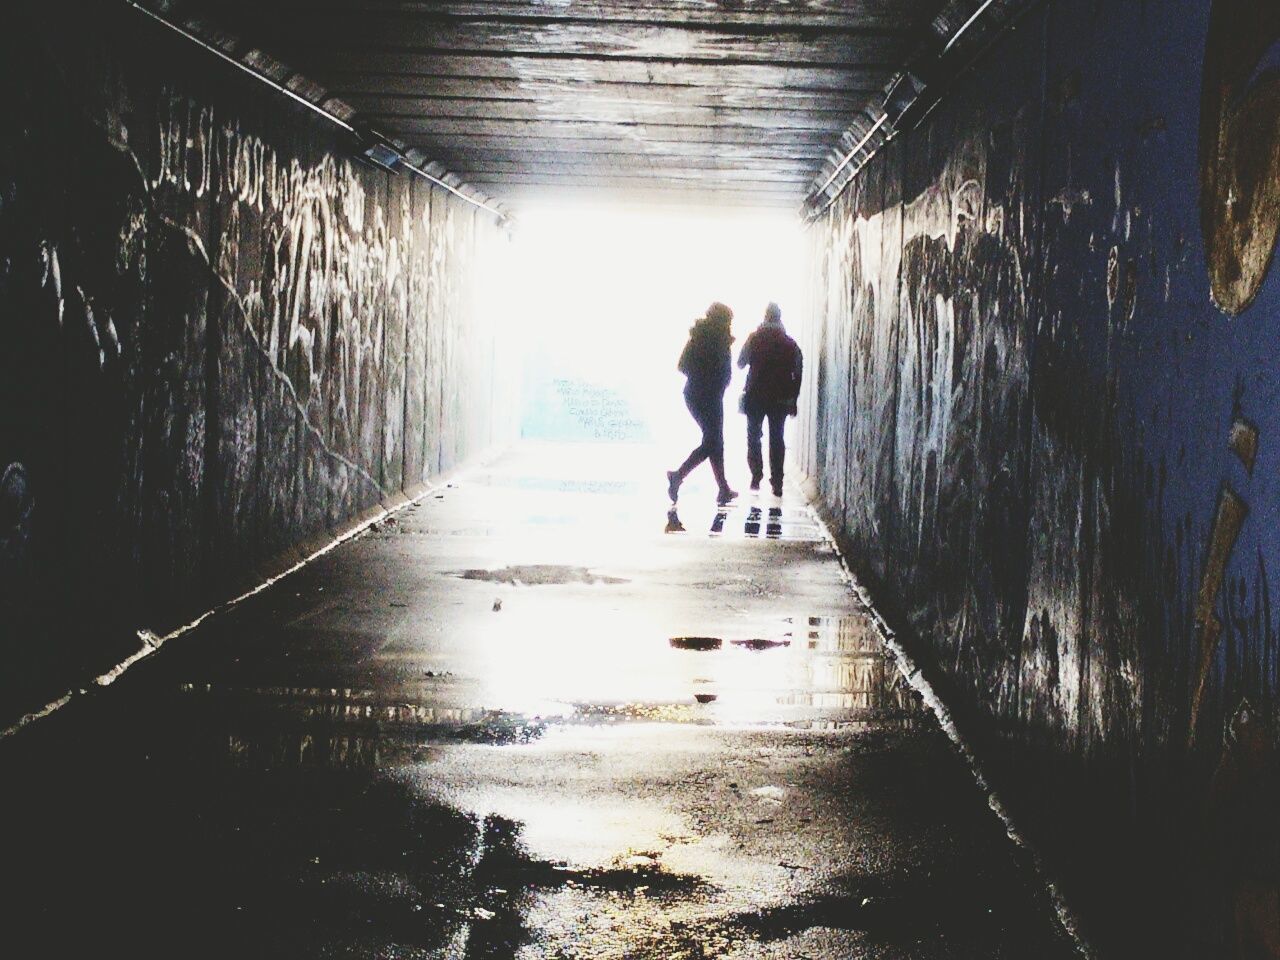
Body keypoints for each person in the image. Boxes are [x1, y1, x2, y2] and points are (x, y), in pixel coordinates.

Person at [667, 302, 738, 505]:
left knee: (715, 441)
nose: (730, 325)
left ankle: (723, 488)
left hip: (699, 394)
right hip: (707, 395)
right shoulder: (716, 340)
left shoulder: (699, 338)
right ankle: (678, 475)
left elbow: (682, 365)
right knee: (713, 441)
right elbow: (684, 366)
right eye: (728, 321)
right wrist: (709, 378)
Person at [737, 302, 803, 497]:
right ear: (780, 318)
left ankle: (756, 475)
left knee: (754, 437)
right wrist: (793, 399)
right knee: (777, 438)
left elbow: (740, 363)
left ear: (765, 317)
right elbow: (798, 372)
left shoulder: (753, 339)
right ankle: (777, 482)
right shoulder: (790, 344)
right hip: (780, 398)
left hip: (755, 396)